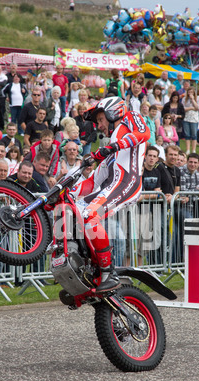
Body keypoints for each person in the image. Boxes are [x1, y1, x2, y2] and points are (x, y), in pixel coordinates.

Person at [69, 96, 150, 291]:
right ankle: (87, 266)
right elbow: (92, 182)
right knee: (73, 211)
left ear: (112, 111)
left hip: (128, 183)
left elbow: (144, 133)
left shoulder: (130, 117)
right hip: (113, 184)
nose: (99, 126)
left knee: (90, 215)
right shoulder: (112, 149)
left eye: (100, 120)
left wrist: (113, 146)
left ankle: (107, 271)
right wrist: (69, 191)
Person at [182, 86, 199, 155]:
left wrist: (192, 99)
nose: (190, 93)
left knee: (194, 135)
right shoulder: (184, 99)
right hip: (186, 118)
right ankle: (187, 149)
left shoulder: (198, 98)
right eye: (189, 92)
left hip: (194, 119)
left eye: (192, 92)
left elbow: (198, 107)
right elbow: (183, 108)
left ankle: (193, 150)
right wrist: (191, 108)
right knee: (187, 134)